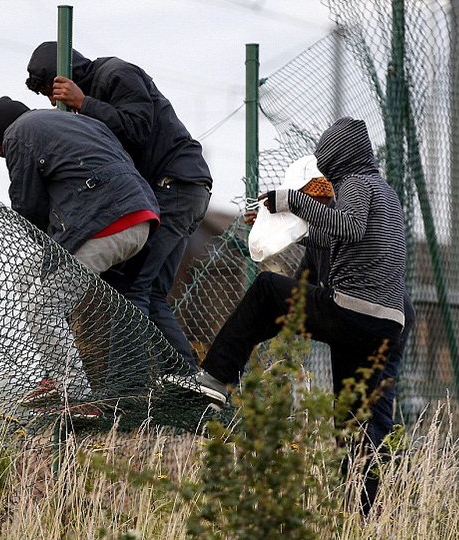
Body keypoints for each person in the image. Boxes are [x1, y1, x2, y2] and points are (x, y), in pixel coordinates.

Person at [164, 116, 410, 445]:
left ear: (337, 158)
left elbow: (349, 227)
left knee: (267, 289)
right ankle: (363, 497)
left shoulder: (356, 183)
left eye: (326, 164)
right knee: (354, 424)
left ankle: (215, 378)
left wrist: (292, 200)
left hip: (355, 310)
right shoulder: (384, 192)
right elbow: (335, 237)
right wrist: (276, 222)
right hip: (383, 324)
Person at [25, 43, 211, 372]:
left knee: (130, 287)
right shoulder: (95, 91)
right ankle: (187, 380)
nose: (53, 103)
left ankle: (128, 388)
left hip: (174, 187)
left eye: (50, 93)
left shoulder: (117, 74)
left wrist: (84, 103)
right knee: (151, 292)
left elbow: (138, 128)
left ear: (64, 78)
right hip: (180, 189)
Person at [0, 96, 160, 414]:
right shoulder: (77, 123)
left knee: (43, 307)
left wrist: (41, 237)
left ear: (1, 134)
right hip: (137, 219)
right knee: (26, 273)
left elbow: (28, 205)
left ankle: (76, 396)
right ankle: (55, 374)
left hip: (107, 224)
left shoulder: (18, 133)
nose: (3, 155)